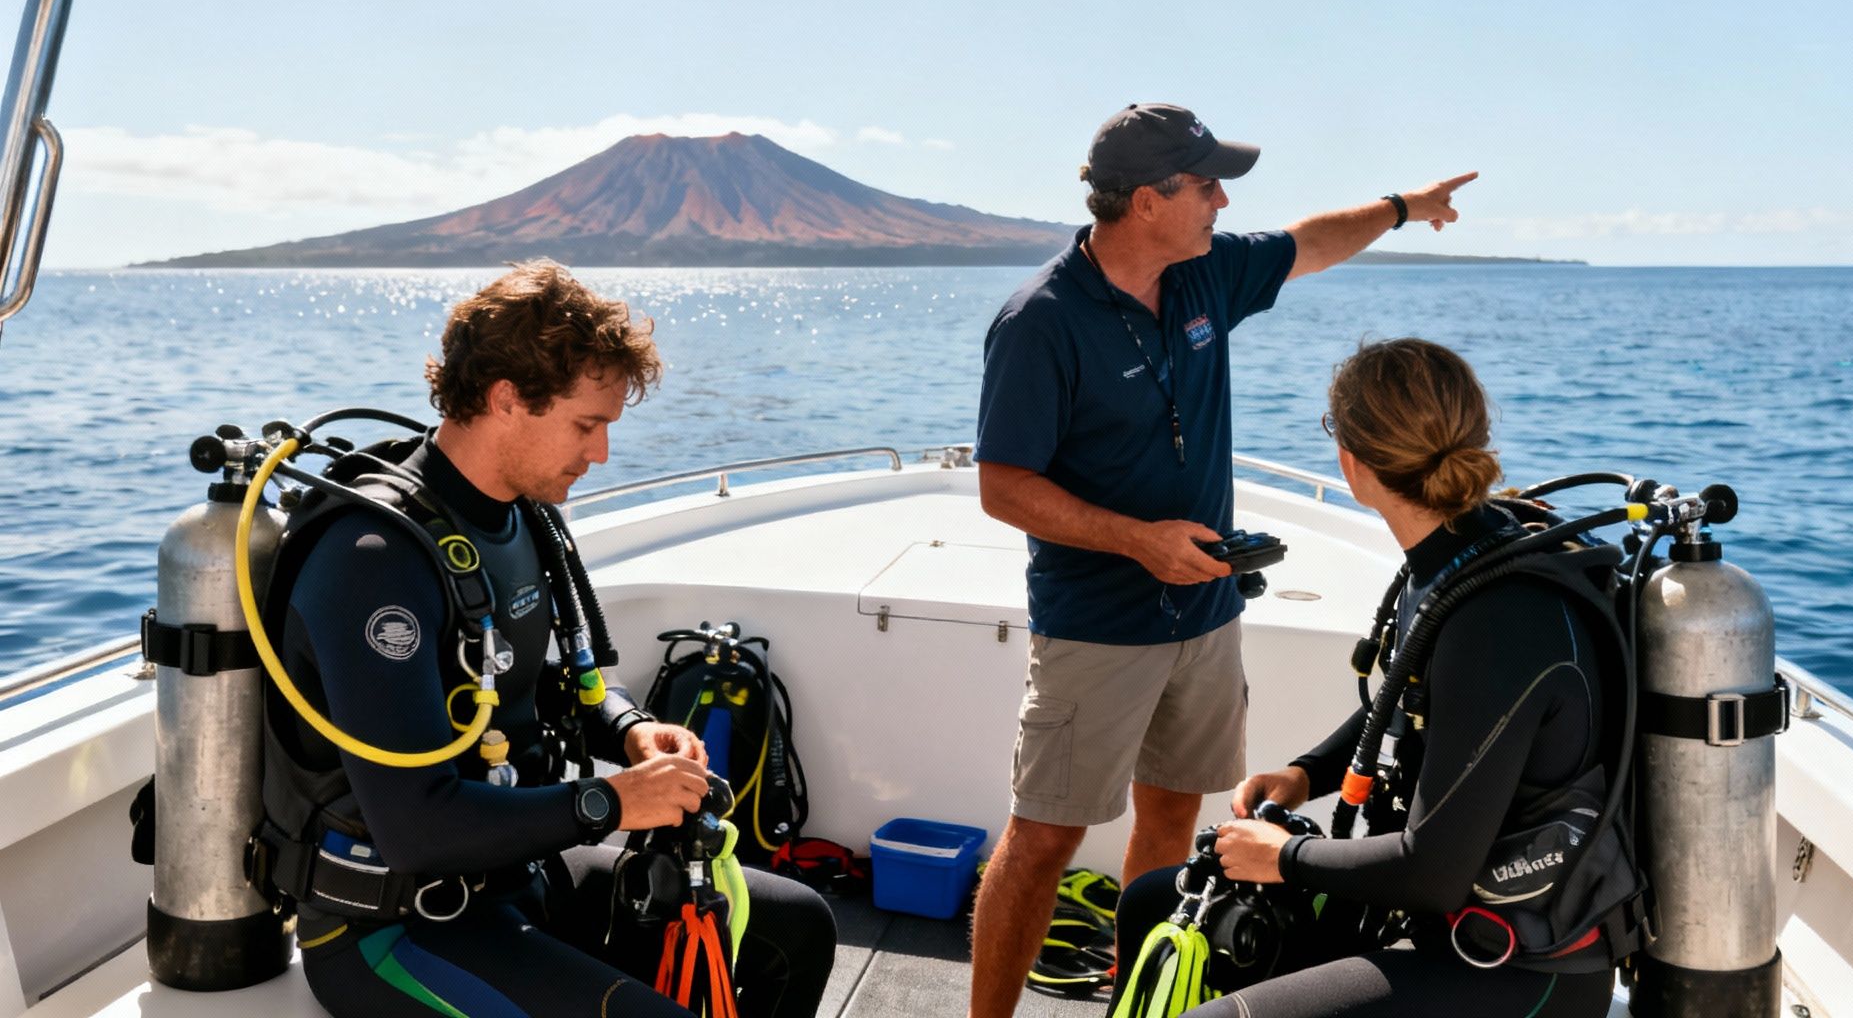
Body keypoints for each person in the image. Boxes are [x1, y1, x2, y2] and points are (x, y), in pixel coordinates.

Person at [969, 102, 1477, 1016]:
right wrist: (1138, 540)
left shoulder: (1204, 272)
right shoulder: (1039, 321)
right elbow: (1004, 487)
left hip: (1208, 615)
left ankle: (1138, 1001)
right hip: (1097, 628)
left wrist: (1404, 206)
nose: (1221, 199)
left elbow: (1308, 243)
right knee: (1044, 838)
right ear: (1148, 200)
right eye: (1206, 184)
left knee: (1171, 814)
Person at [261, 261, 836, 1018]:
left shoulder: (521, 517)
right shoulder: (375, 560)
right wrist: (612, 802)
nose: (599, 454)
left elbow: (566, 678)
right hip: (394, 927)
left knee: (796, 927)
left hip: (514, 877)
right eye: (586, 425)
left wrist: (630, 730)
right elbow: (416, 827)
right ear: (506, 400)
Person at [1108, 337, 1625, 1017]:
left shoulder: (1498, 616)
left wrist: (1284, 856)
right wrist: (1306, 772)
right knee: (1153, 902)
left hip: (1516, 966)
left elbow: (1433, 870)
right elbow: (1413, 700)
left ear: (1351, 463)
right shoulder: (1463, 556)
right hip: (1427, 920)